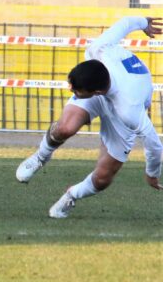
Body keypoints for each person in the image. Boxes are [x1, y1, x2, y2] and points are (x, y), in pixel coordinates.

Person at [15, 16, 163, 219]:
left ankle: (71, 195)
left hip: (124, 107)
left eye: (76, 91)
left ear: (95, 91)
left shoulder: (129, 109)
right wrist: (144, 23)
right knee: (65, 128)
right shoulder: (97, 50)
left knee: (103, 179)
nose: (71, 92)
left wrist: (152, 174)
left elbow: (154, 144)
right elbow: (126, 23)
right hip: (109, 87)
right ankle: (41, 156)